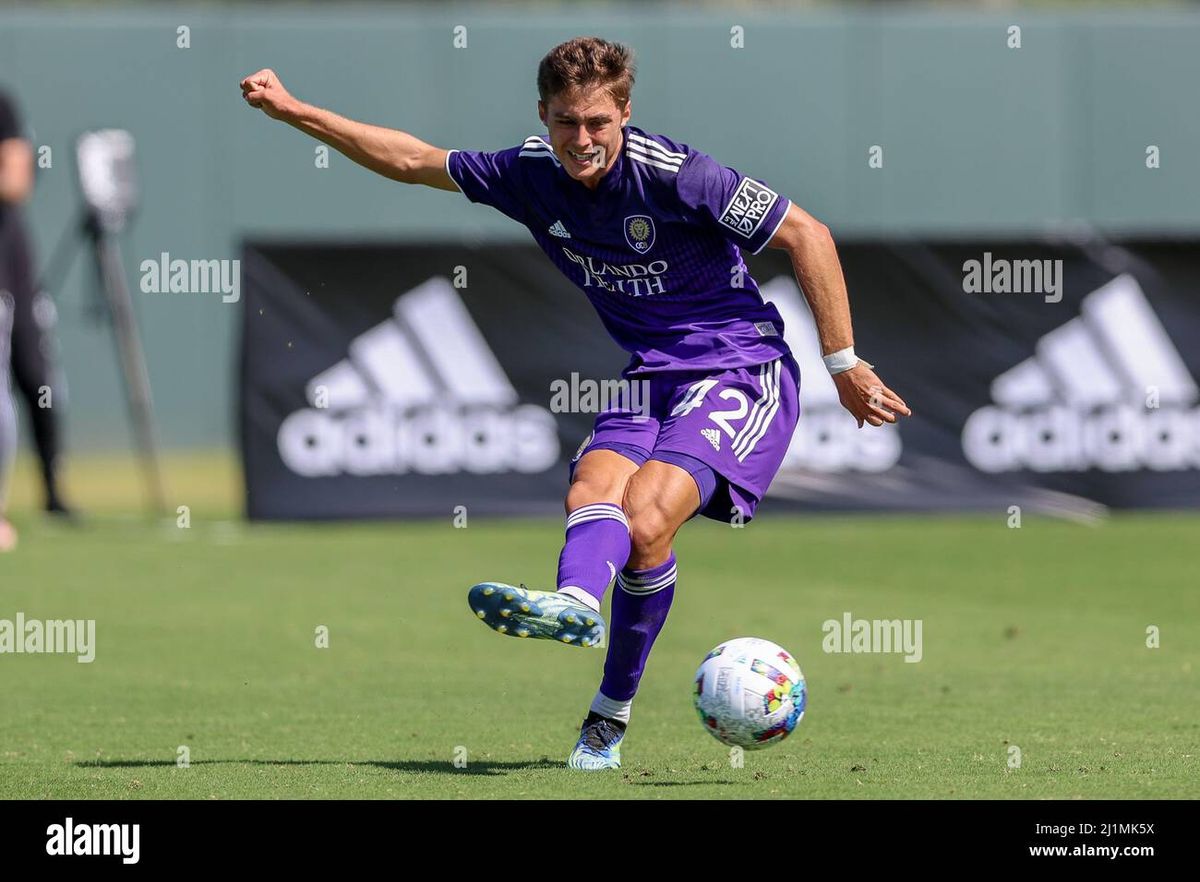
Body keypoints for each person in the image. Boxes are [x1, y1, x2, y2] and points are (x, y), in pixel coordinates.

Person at [240, 36, 910, 769]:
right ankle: (582, 625)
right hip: (649, 375)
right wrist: (295, 111)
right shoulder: (530, 174)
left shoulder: (680, 176)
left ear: (624, 111)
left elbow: (807, 234)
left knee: (647, 514)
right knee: (594, 489)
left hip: (739, 368)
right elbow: (410, 160)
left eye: (596, 121)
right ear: (543, 116)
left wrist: (843, 363)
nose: (581, 139)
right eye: (565, 122)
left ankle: (603, 703)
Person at [0, 87, 73, 526]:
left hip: (7, 259)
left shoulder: (2, 105)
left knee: (33, 372)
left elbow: (16, 181)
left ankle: (51, 488)